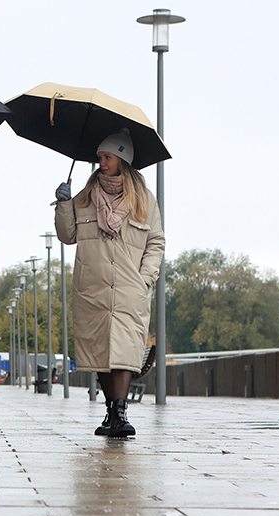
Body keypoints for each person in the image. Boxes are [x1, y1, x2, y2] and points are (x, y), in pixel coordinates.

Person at [53, 129, 164, 437]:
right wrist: (63, 204)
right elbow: (67, 235)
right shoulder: (86, 197)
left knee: (126, 350)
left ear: (122, 161)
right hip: (93, 287)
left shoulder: (144, 200)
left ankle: (120, 411)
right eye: (99, 158)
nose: (101, 163)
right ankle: (110, 411)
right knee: (100, 351)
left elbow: (156, 241)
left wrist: (145, 279)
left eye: (107, 158)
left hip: (130, 288)